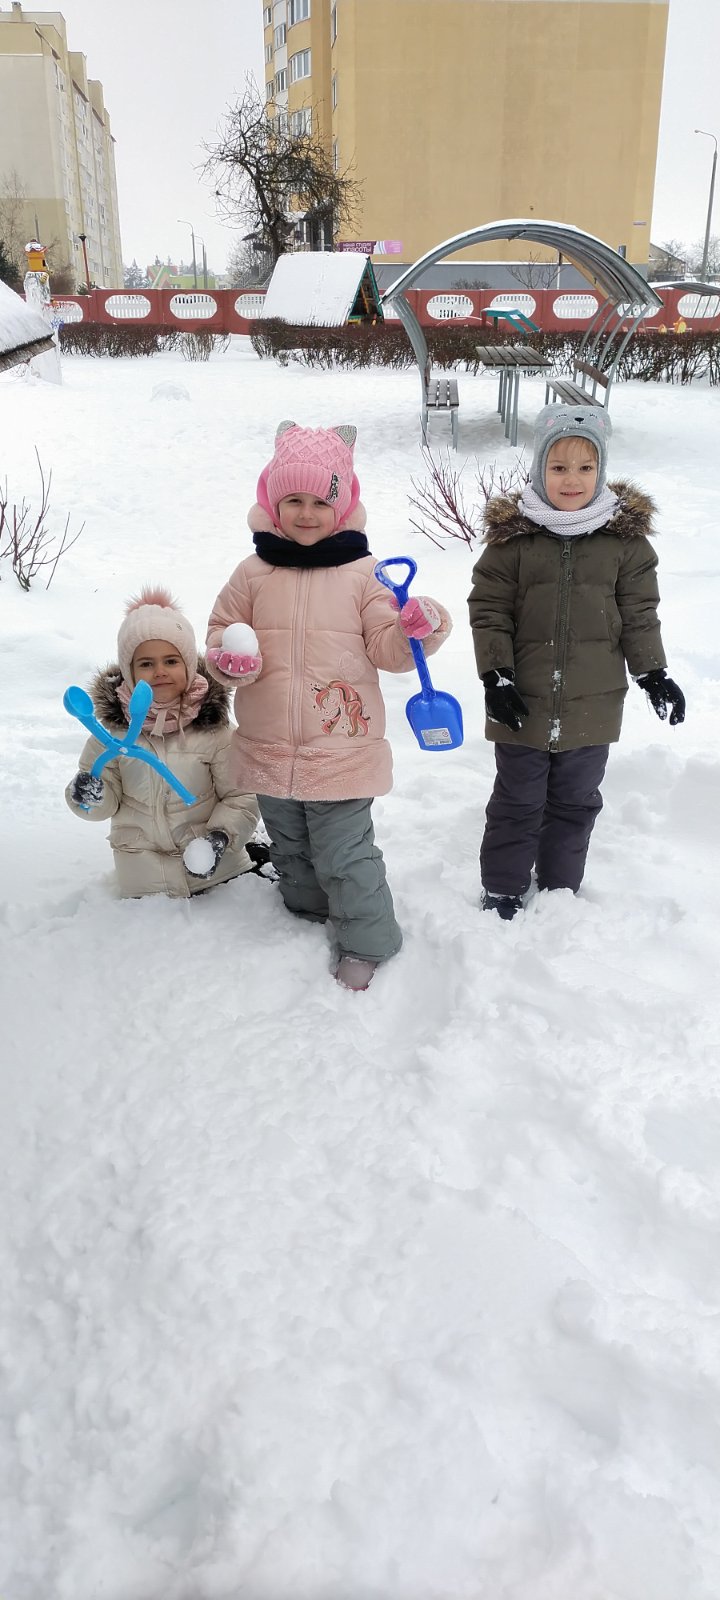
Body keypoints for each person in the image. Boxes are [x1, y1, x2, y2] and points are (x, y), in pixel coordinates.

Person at [205, 421, 452, 989]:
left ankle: (368, 940)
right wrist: (227, 660)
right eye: (293, 499)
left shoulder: (364, 576)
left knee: (345, 853)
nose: (307, 513)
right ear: (272, 501)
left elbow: (389, 647)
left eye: (321, 500)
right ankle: (309, 910)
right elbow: (222, 632)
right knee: (291, 845)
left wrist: (419, 626)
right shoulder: (252, 572)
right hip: (268, 745)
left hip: (342, 747)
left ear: (343, 505)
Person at [468, 405, 685, 919]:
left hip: (595, 703)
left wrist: (653, 673)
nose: (572, 479)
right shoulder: (512, 542)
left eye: (585, 467)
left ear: (602, 470)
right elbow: (489, 609)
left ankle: (562, 884)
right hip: (521, 700)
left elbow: (639, 615)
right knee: (517, 801)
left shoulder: (626, 545)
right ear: (540, 468)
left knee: (576, 800)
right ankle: (502, 887)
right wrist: (496, 675)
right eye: (559, 466)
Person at [66, 587, 263, 898]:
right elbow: (101, 802)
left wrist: (219, 838)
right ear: (129, 673)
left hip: (217, 876)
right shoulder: (111, 734)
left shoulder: (214, 730)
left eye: (171, 661)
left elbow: (241, 796)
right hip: (144, 880)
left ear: (187, 665)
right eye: (145, 664)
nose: (159, 672)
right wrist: (87, 796)